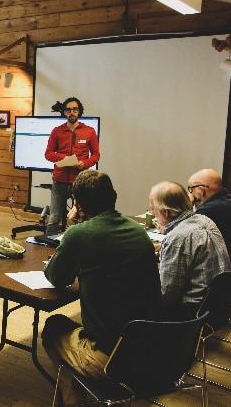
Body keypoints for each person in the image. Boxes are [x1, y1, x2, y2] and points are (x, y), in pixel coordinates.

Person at [42, 170, 161, 405]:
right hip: (148, 349)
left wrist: (70, 229)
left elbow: (55, 276)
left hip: (110, 358)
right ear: (114, 196)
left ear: (77, 204)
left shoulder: (79, 234)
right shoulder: (139, 232)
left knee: (54, 327)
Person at [148, 181, 231, 319]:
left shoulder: (177, 238)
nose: (152, 213)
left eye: (152, 209)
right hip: (218, 303)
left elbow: (167, 296)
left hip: (192, 312)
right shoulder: (204, 220)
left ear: (165, 212)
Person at [44, 97, 100, 236]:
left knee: (82, 217)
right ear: (65, 112)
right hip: (59, 181)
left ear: (79, 111)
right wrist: (65, 159)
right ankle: (49, 249)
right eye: (68, 110)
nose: (72, 112)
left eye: (75, 109)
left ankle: (80, 245)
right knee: (54, 218)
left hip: (80, 181)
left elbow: (96, 155)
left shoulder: (89, 131)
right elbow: (48, 154)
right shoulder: (57, 131)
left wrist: (85, 163)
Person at [187, 168, 231, 270]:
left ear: (201, 190)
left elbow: (183, 236)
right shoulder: (230, 200)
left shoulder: (208, 211)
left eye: (191, 189)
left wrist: (187, 206)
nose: (190, 194)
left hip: (223, 271)